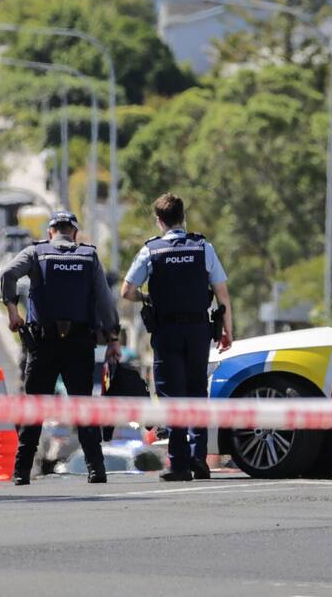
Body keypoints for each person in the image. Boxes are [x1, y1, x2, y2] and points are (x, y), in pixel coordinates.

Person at [0, 211, 117, 485]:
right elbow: (105, 302)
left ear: (51, 231)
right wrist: (113, 339)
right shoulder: (89, 256)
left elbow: (7, 273)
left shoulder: (36, 253)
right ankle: (96, 470)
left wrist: (12, 311)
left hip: (43, 344)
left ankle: (20, 472)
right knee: (83, 407)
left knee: (34, 408)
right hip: (79, 344)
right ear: (74, 232)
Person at [122, 193, 233, 481]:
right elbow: (222, 293)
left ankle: (179, 463)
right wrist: (227, 330)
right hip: (198, 331)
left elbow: (127, 291)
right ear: (183, 218)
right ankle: (198, 460)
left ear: (159, 221)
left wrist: (147, 297)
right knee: (197, 392)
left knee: (172, 395)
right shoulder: (203, 247)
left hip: (167, 331)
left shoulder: (151, 251)